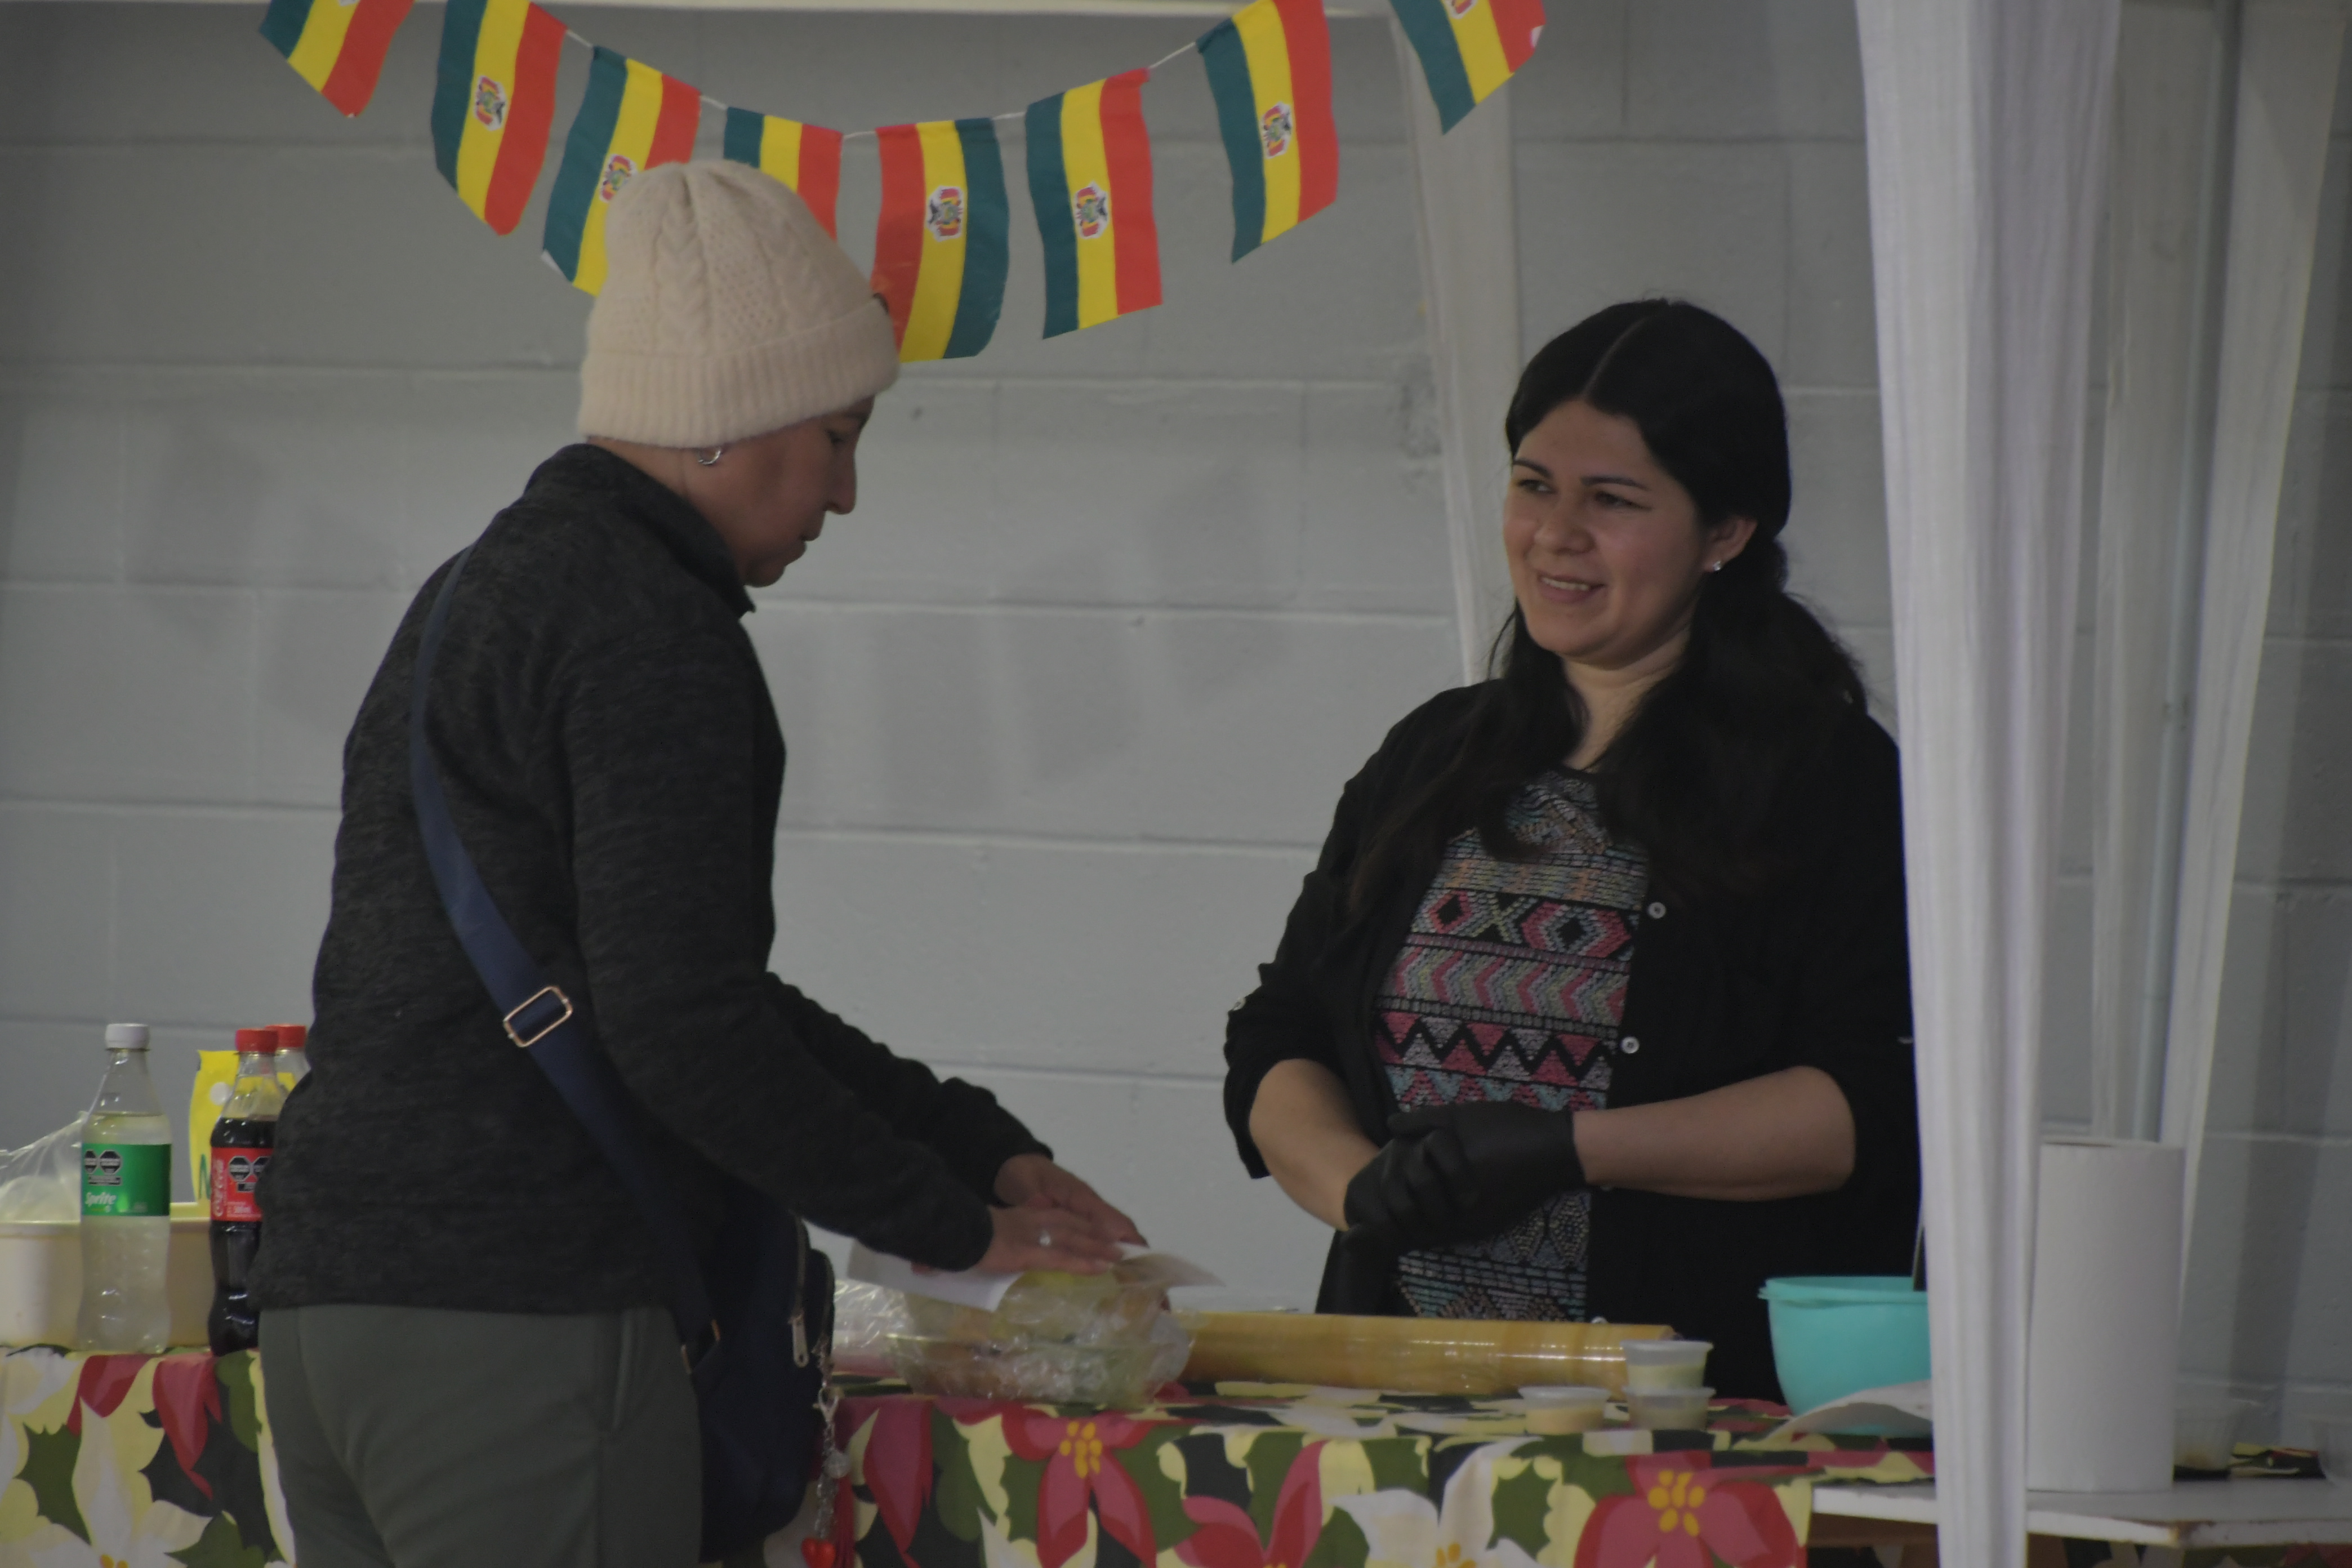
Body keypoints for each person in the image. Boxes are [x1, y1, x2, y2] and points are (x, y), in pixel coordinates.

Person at [249, 162, 1139, 1568]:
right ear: (727, 426)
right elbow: (686, 1026)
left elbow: (653, 982)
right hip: (523, 1328)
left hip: (324, 1322)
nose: (846, 493)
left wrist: (969, 1140)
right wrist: (955, 1228)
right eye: (838, 436)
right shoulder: (653, 629)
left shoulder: (474, 592)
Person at [1222, 300, 1917, 1401]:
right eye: (1535, 484)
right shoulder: (1432, 756)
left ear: (1726, 532)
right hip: (1397, 1423)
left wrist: (1571, 1150)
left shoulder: (1825, 780)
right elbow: (1280, 1035)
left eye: (1614, 501)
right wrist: (1362, 1192)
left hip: (1679, 1443)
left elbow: (1860, 1113)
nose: (1555, 534)